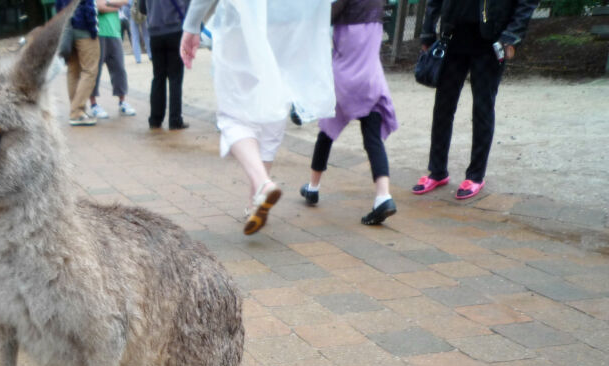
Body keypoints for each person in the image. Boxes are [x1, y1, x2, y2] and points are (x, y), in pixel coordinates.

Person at [180, 0, 335, 235]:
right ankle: (256, 201)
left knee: (233, 114)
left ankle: (263, 184)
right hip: (288, 22)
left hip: (242, 19)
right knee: (272, 104)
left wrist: (192, 25)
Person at [412, 0, 539, 200]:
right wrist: (428, 33)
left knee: (482, 108)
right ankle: (437, 172)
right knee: (442, 108)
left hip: (490, 43)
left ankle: (475, 176)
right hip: (452, 38)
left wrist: (512, 36)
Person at [300, 0, 398, 225]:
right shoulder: (377, 6)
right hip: (371, 80)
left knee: (326, 133)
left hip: (343, 81)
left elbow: (322, 18)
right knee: (373, 139)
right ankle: (383, 196)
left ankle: (313, 187)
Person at [90, 0, 137, 118]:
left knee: (119, 69)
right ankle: (93, 104)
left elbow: (125, 1)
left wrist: (108, 4)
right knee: (95, 71)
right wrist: (115, 5)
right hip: (98, 33)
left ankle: (122, 101)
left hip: (115, 32)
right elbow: (99, 7)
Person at [57, 0, 101, 126]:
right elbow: (88, 5)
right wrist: (93, 28)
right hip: (84, 28)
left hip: (67, 28)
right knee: (90, 70)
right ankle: (77, 112)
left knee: (73, 70)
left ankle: (75, 109)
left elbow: (58, 5)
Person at [146, 0, 189, 130]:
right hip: (174, 29)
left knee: (158, 77)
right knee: (175, 78)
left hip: (155, 32)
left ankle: (155, 119)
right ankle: (175, 120)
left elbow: (142, 8)